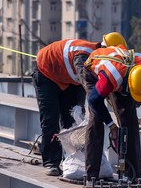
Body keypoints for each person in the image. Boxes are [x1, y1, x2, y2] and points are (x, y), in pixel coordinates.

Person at [31, 32, 126, 176]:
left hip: (68, 78)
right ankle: (52, 161)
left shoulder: (100, 61)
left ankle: (70, 160)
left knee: (72, 120)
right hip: (46, 72)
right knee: (50, 117)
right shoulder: (84, 59)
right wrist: (110, 124)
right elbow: (93, 95)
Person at [83, 42, 141, 183]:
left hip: (124, 75)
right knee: (96, 119)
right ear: (129, 83)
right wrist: (111, 125)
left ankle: (134, 174)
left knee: (129, 119)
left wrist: (136, 101)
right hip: (94, 74)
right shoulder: (112, 77)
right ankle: (92, 175)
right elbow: (94, 100)